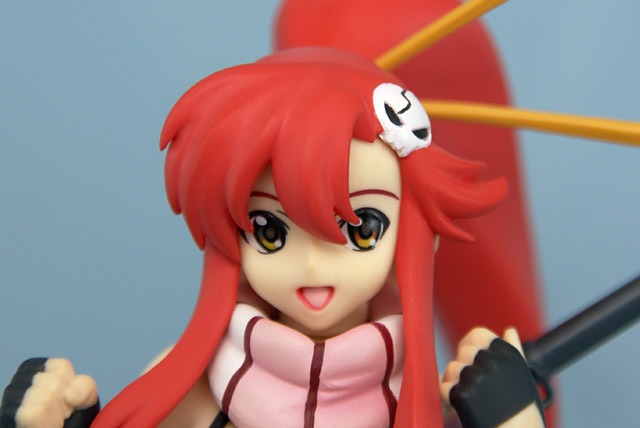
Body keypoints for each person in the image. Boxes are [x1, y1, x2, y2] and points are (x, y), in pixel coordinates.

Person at [1, 48, 545, 428]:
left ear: (415, 232)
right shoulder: (196, 385)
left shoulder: (422, 398)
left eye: (361, 228)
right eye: (269, 230)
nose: (311, 266)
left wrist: (514, 418)